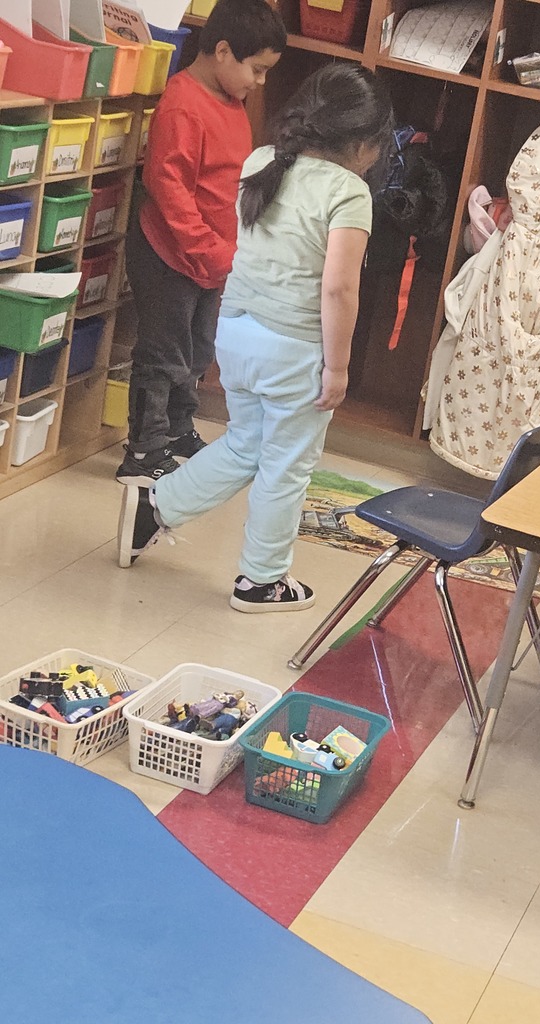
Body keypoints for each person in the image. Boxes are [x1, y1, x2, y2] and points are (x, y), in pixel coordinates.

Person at [116, 63, 393, 613]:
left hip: (237, 334)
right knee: (287, 466)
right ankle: (262, 581)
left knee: (247, 444)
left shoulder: (263, 161)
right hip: (295, 349)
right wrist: (338, 368)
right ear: (364, 142)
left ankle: (155, 506)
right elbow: (338, 289)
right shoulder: (349, 192)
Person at [116, 0, 286, 486]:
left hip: (212, 259)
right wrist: (206, 248)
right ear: (224, 51)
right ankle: (143, 451)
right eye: (257, 69)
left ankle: (176, 428)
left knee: (196, 349)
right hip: (170, 255)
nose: (260, 82)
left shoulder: (231, 102)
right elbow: (168, 188)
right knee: (162, 353)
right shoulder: (183, 103)